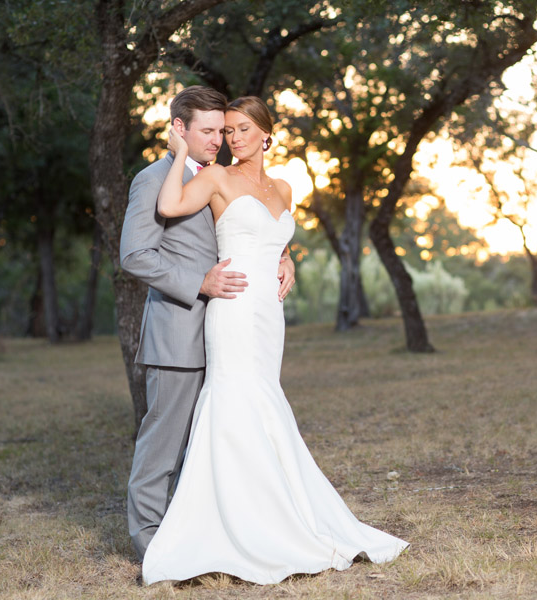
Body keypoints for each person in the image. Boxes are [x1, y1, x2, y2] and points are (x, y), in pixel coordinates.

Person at [140, 96, 408, 585]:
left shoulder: (283, 186)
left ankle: (282, 513)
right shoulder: (217, 177)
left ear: (266, 132)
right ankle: (239, 524)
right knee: (234, 401)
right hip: (235, 306)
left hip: (269, 314)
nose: (232, 139)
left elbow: (275, 237)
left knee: (265, 402)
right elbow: (169, 204)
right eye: (227, 131)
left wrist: (287, 260)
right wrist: (180, 151)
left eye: (242, 129)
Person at [119, 86, 297, 562]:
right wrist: (199, 282)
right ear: (179, 129)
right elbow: (135, 254)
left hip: (232, 329)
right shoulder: (153, 178)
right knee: (164, 442)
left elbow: (252, 228)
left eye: (223, 130)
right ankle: (149, 542)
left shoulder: (227, 175)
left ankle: (207, 531)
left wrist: (284, 255)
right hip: (178, 328)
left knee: (219, 439)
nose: (219, 139)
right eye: (209, 131)